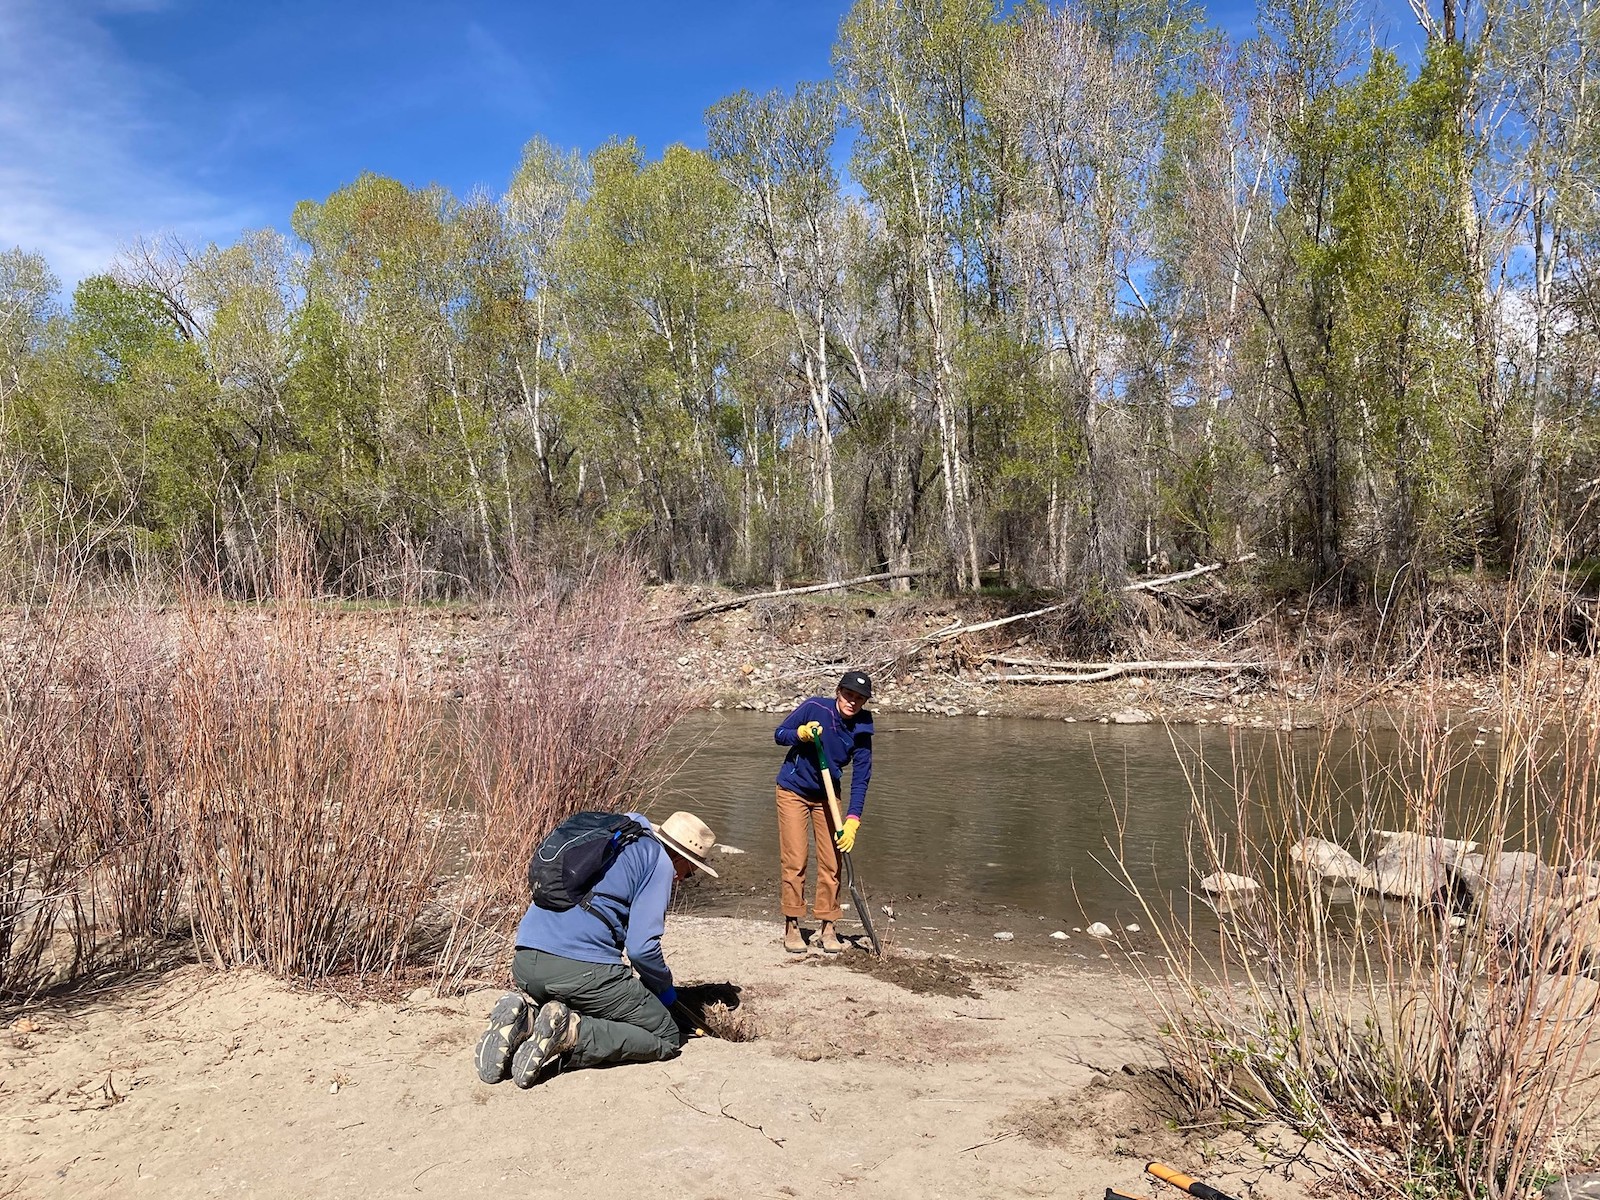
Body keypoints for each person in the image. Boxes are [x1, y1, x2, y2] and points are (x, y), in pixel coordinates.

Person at [473, 810, 719, 1088]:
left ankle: (526, 1019)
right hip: (578, 971)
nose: (683, 880)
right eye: (689, 873)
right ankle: (572, 1033)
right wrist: (665, 991)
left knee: (579, 1001)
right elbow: (641, 949)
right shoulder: (659, 861)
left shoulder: (616, 839)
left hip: (525, 961)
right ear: (680, 858)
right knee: (665, 1034)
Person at [772, 670, 874, 955]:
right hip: (792, 790)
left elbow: (862, 776)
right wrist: (800, 734)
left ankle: (828, 926)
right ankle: (792, 924)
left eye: (860, 699)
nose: (853, 702)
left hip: (827, 796)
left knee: (832, 861)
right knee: (796, 860)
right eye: (849, 695)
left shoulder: (863, 725)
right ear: (838, 691)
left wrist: (853, 819)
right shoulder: (815, 707)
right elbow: (779, 735)